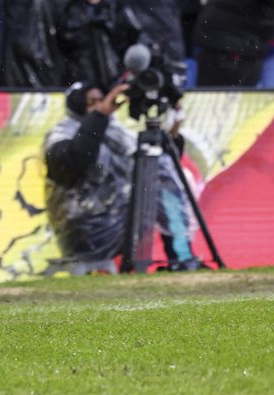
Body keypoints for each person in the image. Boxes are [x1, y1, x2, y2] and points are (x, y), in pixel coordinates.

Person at [44, 82, 199, 272]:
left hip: (122, 222)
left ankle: (181, 257)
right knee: (157, 181)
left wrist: (173, 129)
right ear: (77, 105)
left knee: (166, 178)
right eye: (92, 102)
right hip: (84, 229)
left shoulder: (116, 133)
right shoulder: (61, 133)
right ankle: (180, 256)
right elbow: (77, 159)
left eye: (102, 100)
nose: (100, 105)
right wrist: (100, 116)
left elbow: (159, 162)